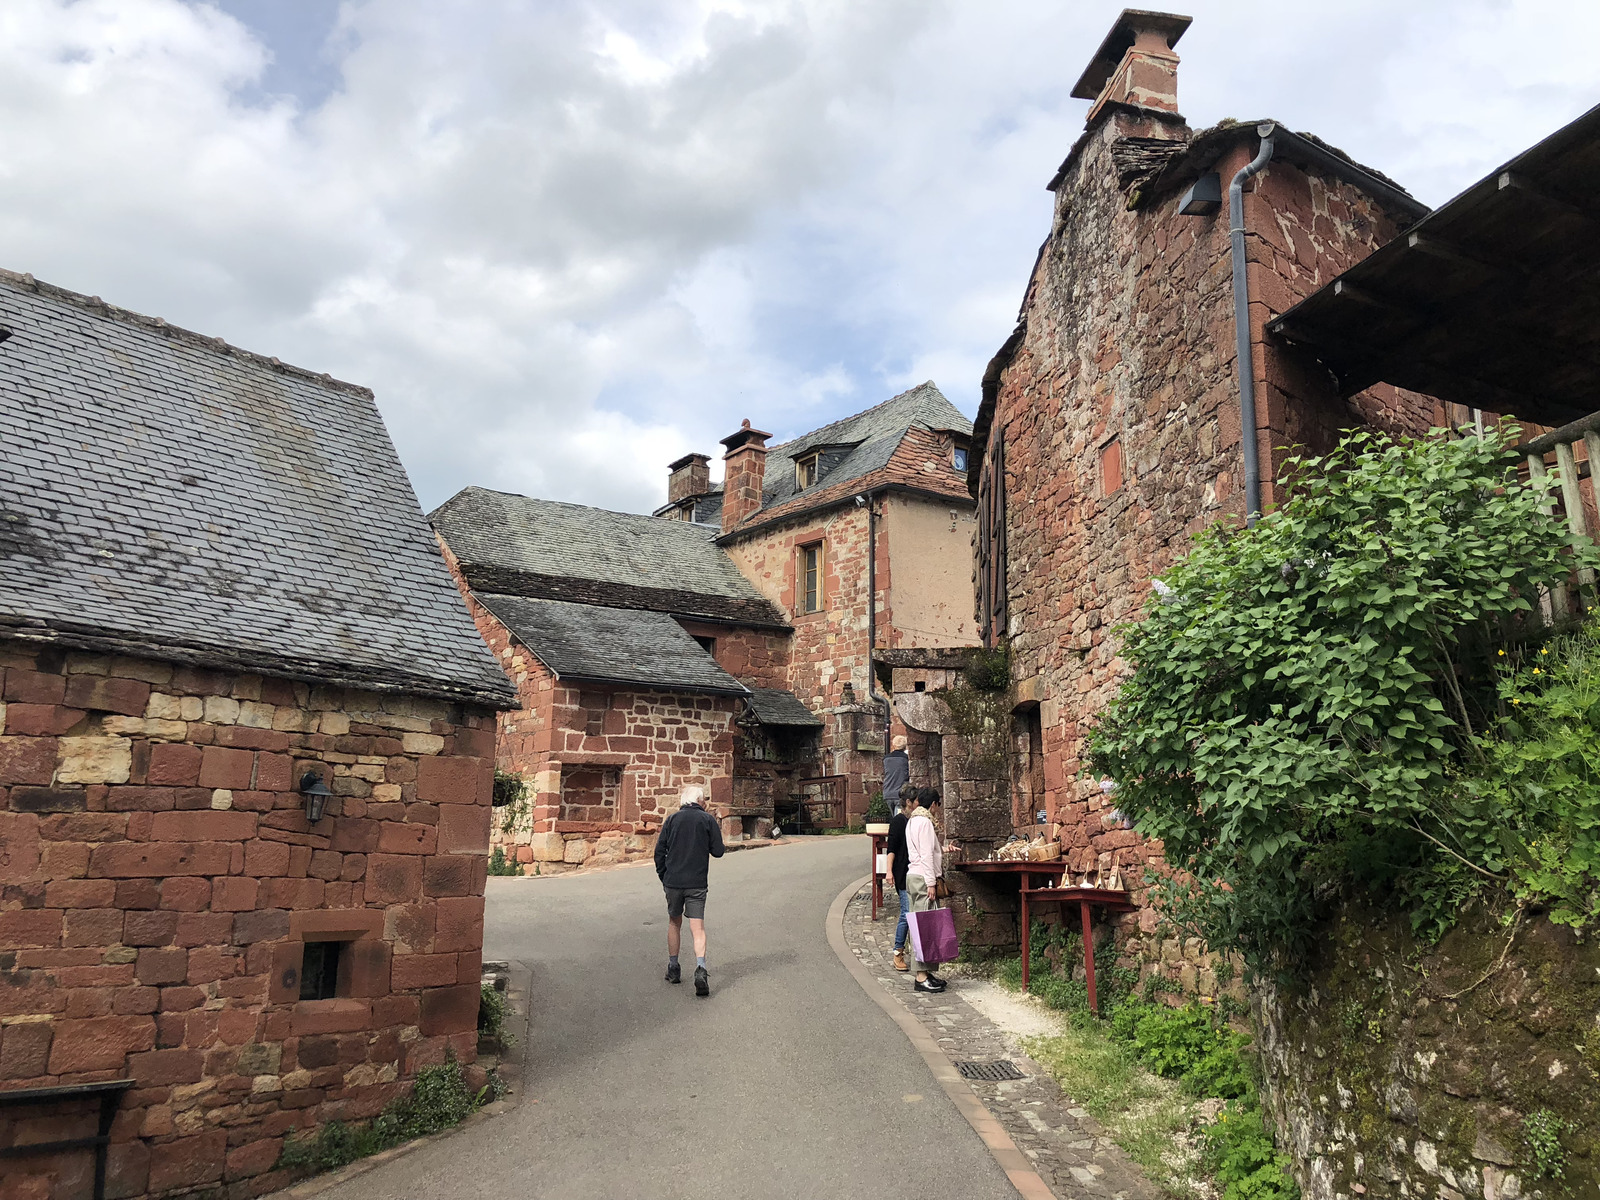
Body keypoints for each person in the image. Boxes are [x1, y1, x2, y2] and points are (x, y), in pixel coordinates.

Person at [654, 784, 725, 997]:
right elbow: (719, 851)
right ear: (700, 801)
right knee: (698, 928)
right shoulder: (707, 820)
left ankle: (673, 967)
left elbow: (659, 852)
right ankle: (701, 968)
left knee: (674, 922)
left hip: (673, 881)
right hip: (696, 882)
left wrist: (664, 876)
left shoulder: (672, 820)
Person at [904, 789, 946, 993]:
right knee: (924, 927)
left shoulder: (912, 821)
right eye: (938, 805)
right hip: (923, 876)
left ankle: (926, 971)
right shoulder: (926, 823)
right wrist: (931, 882)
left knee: (918, 924)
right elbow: (927, 854)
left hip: (912, 875)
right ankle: (921, 975)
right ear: (933, 805)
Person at [885, 787, 915, 972]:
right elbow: (891, 849)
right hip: (902, 872)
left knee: (912, 912)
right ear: (909, 802)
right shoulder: (898, 821)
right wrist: (889, 871)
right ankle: (898, 952)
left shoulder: (915, 821)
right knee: (906, 912)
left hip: (913, 871)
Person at [882, 734, 910, 815]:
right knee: (899, 819)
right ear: (905, 746)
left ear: (893, 745)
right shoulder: (906, 759)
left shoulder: (886, 759)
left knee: (895, 818)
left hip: (888, 792)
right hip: (900, 793)